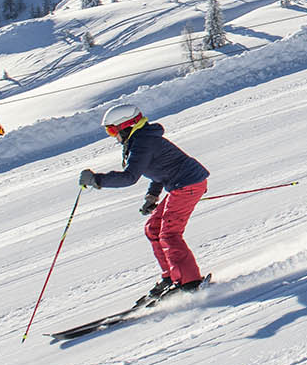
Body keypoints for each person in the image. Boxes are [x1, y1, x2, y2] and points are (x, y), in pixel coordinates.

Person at [79, 104, 210, 301]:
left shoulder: (143, 143)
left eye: (112, 130)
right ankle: (172, 277)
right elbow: (159, 170)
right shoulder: (140, 141)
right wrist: (152, 196)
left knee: (169, 234)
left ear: (127, 125)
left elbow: (129, 177)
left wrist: (97, 180)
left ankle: (191, 283)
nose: (112, 135)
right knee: (153, 228)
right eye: (109, 131)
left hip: (187, 184)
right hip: (181, 184)